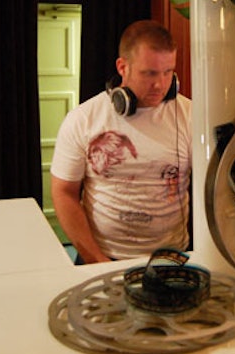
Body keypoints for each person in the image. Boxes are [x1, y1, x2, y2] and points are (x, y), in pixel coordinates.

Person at [50, 20, 192, 263]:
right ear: (122, 67)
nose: (160, 84)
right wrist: (96, 259)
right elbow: (64, 193)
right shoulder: (83, 119)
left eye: (168, 72)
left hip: (171, 258)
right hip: (100, 257)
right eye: (149, 73)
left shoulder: (190, 115)